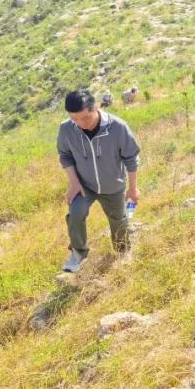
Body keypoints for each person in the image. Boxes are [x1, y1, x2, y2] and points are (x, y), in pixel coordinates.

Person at [56, 89, 141, 273]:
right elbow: (65, 155)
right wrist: (74, 183)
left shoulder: (117, 127)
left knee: (118, 219)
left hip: (113, 185)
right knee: (76, 213)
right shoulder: (66, 129)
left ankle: (123, 250)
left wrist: (133, 188)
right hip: (84, 185)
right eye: (74, 119)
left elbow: (131, 158)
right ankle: (78, 253)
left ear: (95, 107)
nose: (81, 124)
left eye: (85, 118)